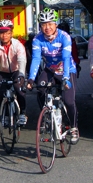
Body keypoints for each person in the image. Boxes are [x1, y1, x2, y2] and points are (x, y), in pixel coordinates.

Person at [27, 9, 79, 144]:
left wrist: (66, 78)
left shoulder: (64, 37)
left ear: (56, 24)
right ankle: (46, 115)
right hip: (50, 69)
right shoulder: (37, 39)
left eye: (50, 24)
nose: (47, 27)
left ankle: (74, 127)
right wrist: (31, 78)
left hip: (66, 69)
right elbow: (36, 59)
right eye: (43, 24)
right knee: (40, 89)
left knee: (69, 101)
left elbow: (67, 58)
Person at [0, 19, 28, 125]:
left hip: (16, 71)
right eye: (1, 33)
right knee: (0, 92)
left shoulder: (18, 45)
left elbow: (22, 59)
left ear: (11, 33)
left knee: (19, 90)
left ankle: (22, 113)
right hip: (3, 72)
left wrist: (22, 74)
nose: (4, 35)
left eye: (7, 33)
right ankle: (4, 115)